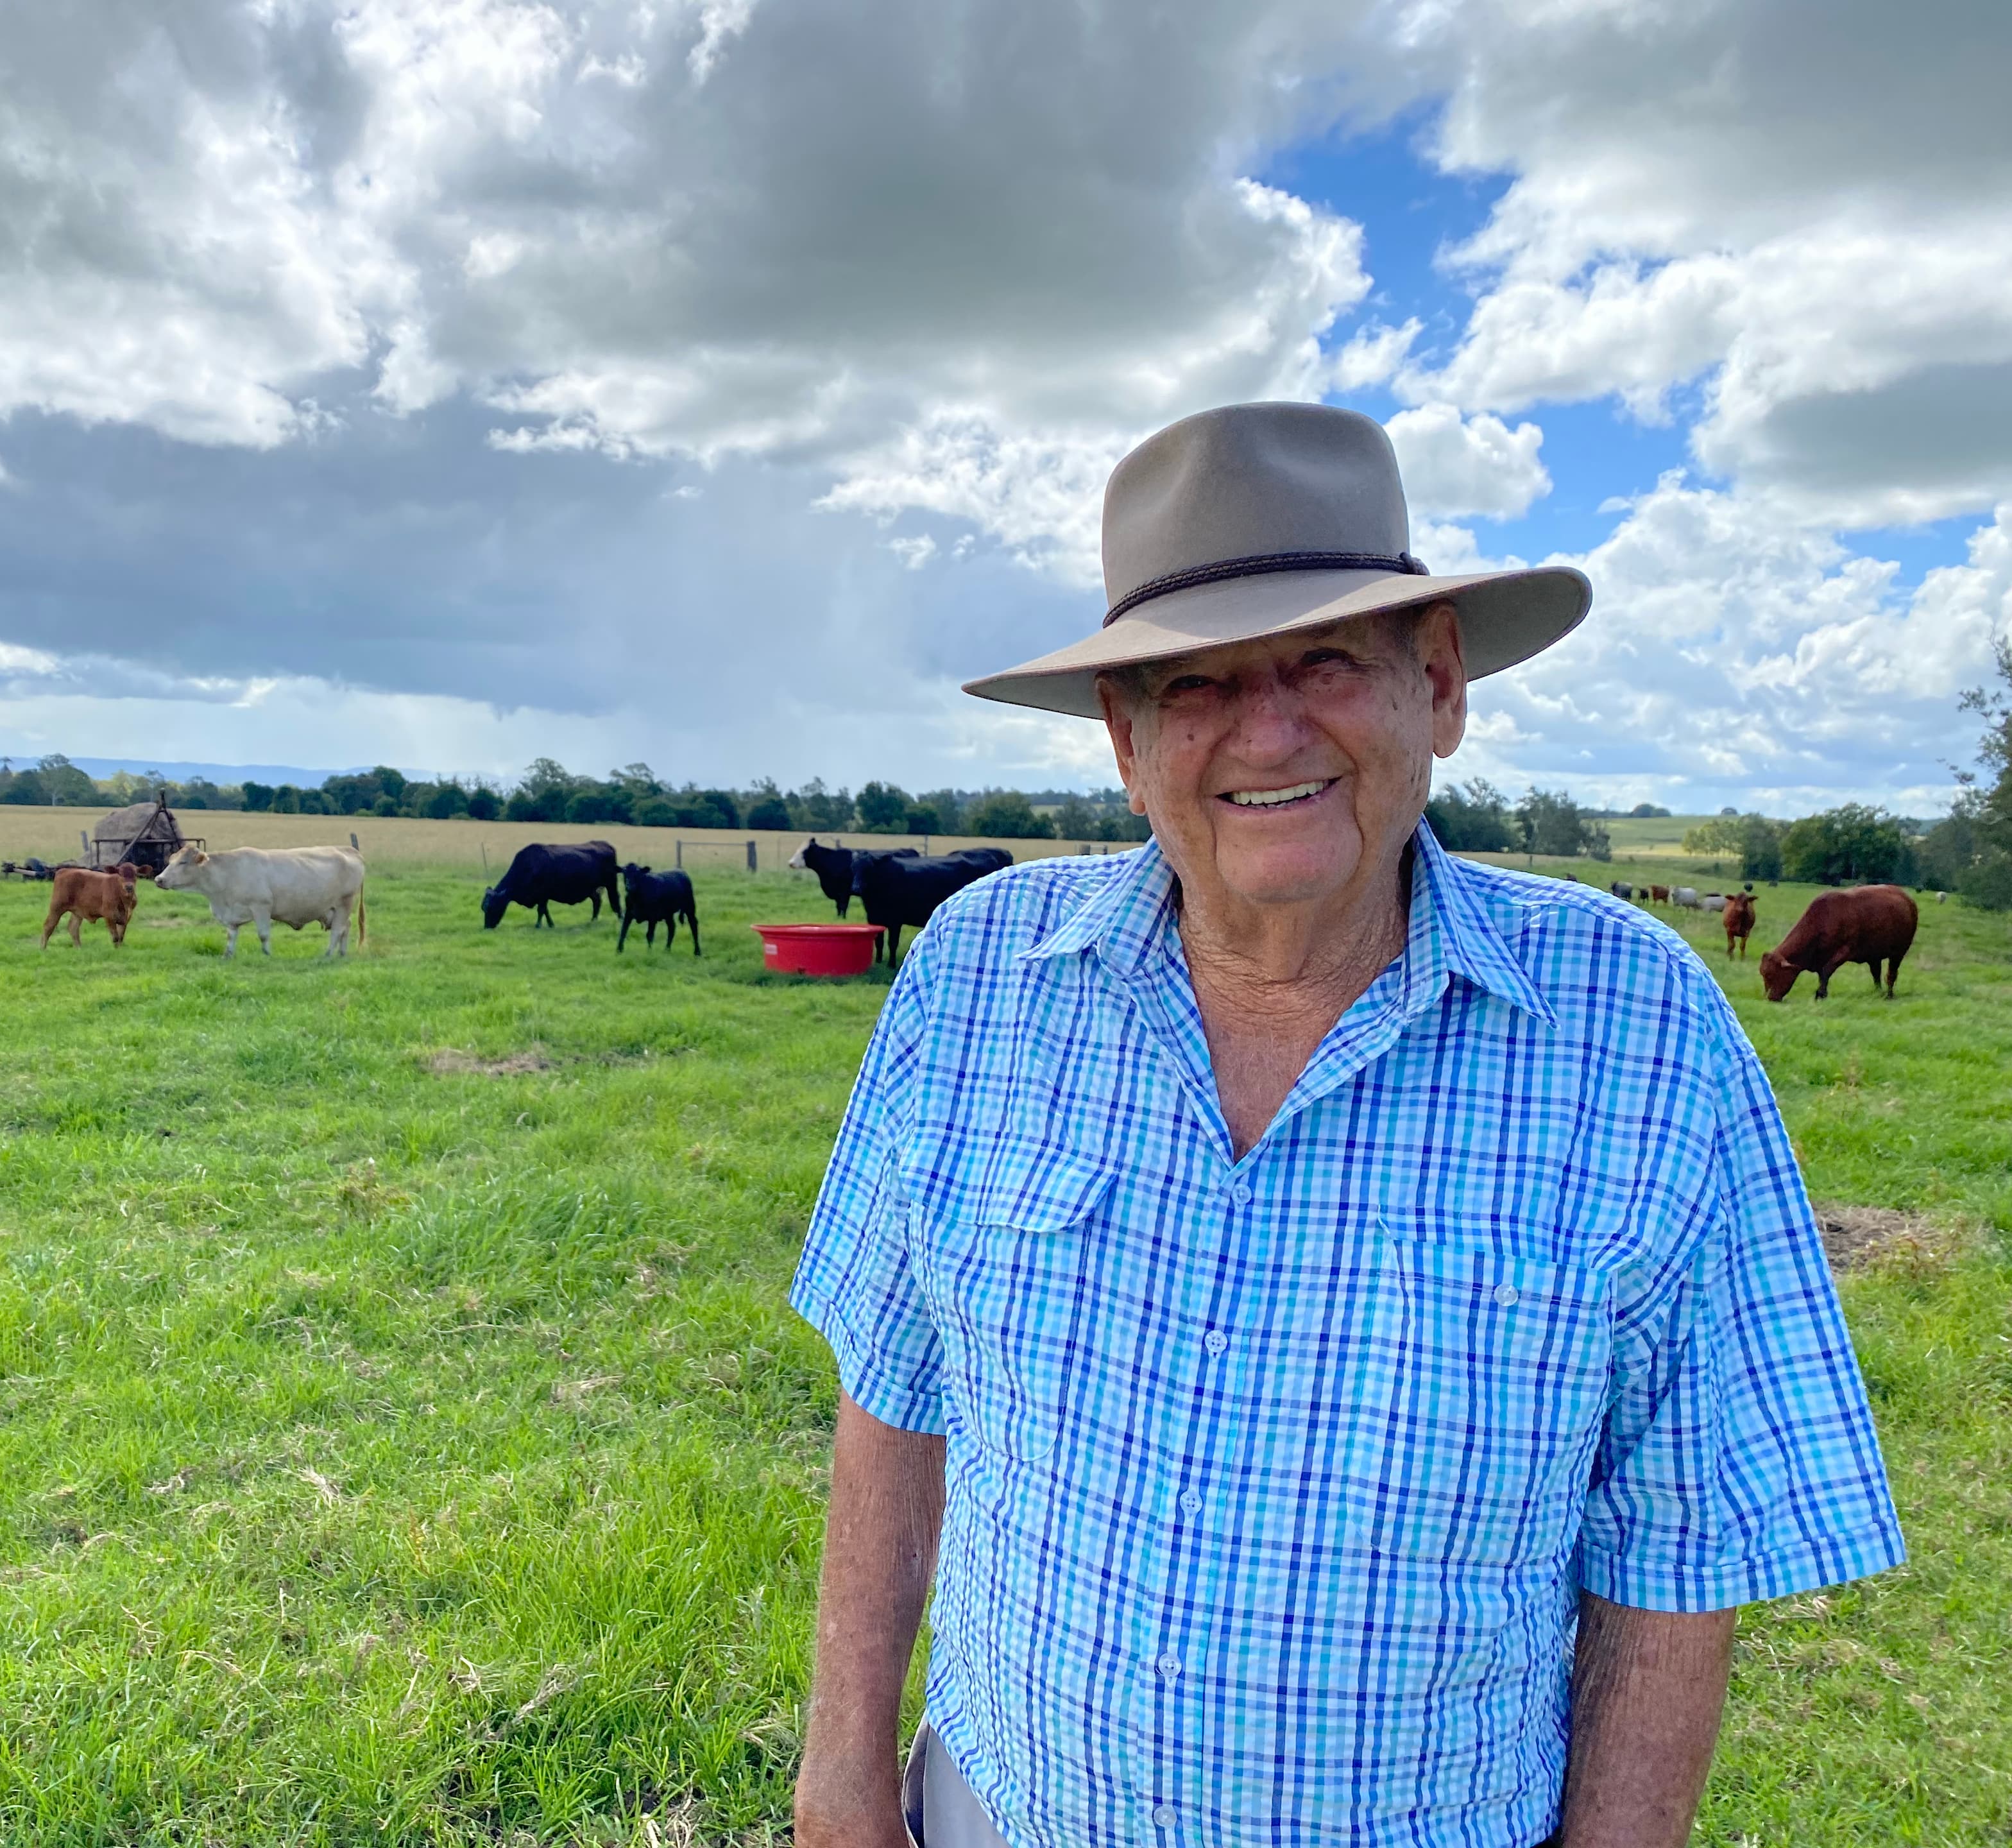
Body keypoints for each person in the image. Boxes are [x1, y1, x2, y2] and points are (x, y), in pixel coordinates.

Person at [789, 403, 1902, 1847]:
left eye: (1326, 659)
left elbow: (1679, 1546)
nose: (1268, 730)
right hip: (996, 1808)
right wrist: (837, 1789)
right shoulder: (975, 979)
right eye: (1193, 685)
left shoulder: (1642, 1029)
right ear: (1126, 742)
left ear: (1436, 684)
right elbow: (891, 1394)